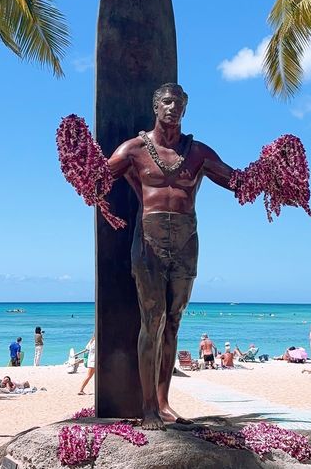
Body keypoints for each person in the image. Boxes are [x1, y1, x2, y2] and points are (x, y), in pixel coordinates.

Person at [107, 83, 238, 429]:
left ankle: (164, 403)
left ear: (185, 109)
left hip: (186, 240)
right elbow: (97, 178)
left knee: (174, 322)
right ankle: (148, 407)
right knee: (153, 320)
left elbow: (236, 181)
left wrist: (272, 175)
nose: (172, 108)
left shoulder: (198, 153)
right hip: (148, 239)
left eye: (179, 103)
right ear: (155, 106)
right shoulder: (134, 149)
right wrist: (75, 159)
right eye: (166, 102)